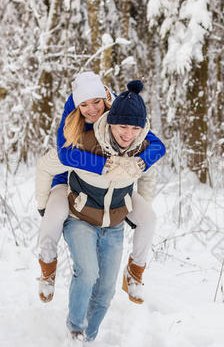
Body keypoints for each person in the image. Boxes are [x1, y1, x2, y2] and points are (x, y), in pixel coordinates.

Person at [35, 80, 161, 341]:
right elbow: (51, 163)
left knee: (105, 290)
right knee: (88, 272)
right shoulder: (80, 142)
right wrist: (42, 205)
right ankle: (75, 329)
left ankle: (91, 336)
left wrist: (137, 205)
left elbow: (150, 169)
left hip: (113, 221)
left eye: (135, 128)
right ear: (111, 120)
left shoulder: (142, 146)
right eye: (122, 126)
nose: (128, 133)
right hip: (80, 215)